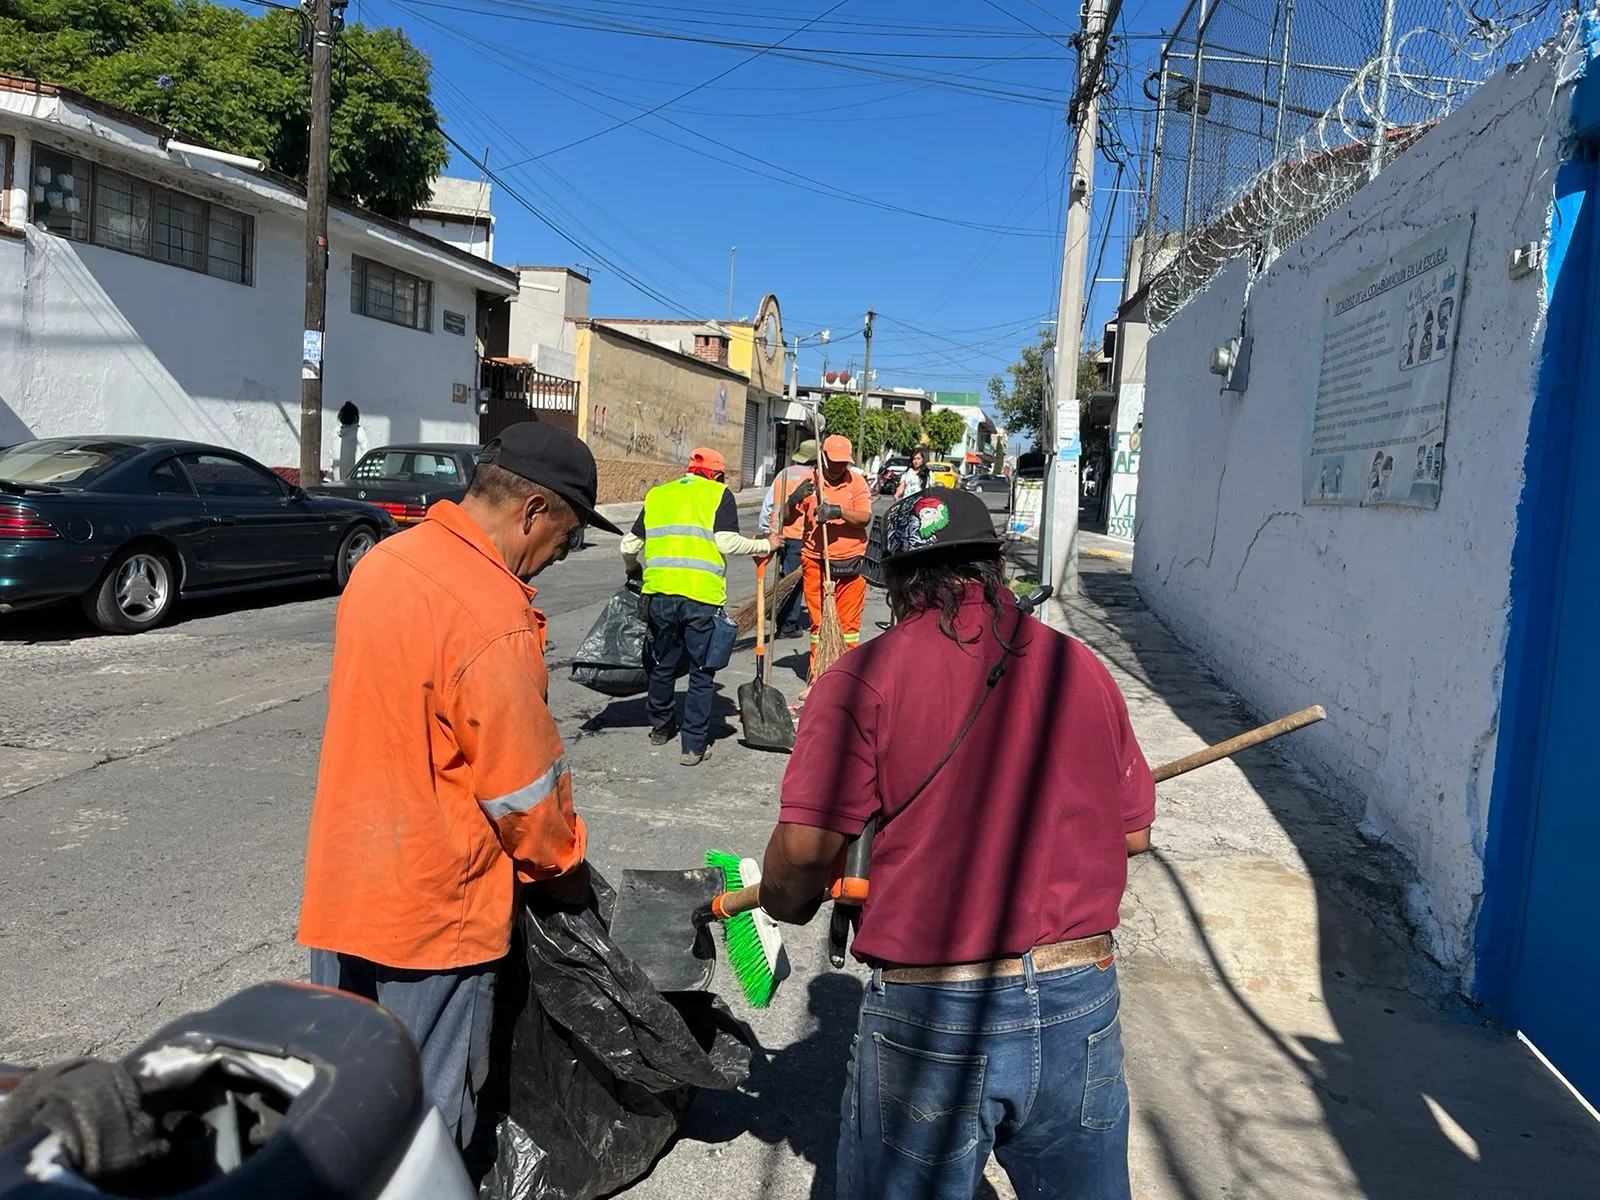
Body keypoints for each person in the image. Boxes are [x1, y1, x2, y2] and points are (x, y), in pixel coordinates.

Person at [755, 486, 1155, 1200]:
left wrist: (788, 899)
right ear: (996, 567)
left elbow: (807, 854)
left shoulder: (861, 679)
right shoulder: (1081, 670)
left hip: (932, 1007)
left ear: (897, 581)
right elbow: (1133, 831)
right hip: (1077, 995)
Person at [298, 421, 620, 1151]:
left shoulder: (388, 561)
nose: (556, 559)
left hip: (347, 881)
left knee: (342, 1099)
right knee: (422, 1123)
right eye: (564, 538)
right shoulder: (491, 611)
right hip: (434, 908)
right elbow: (522, 787)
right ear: (532, 512)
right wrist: (565, 875)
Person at [619, 447, 780, 765]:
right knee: (702, 672)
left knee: (663, 666)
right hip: (701, 598)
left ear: (688, 470)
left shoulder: (658, 495)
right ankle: (692, 747)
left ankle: (661, 728)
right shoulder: (719, 494)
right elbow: (727, 542)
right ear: (718, 474)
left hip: (659, 596)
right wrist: (765, 545)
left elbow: (629, 545)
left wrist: (632, 570)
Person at [785, 434, 873, 679]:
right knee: (819, 623)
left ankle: (844, 677)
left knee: (848, 626)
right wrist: (793, 501)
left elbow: (864, 517)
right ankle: (818, 675)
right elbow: (785, 520)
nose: (836, 468)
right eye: (832, 462)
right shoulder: (809, 483)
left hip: (851, 562)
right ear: (822, 457)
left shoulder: (856, 483)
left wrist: (838, 511)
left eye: (842, 463)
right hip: (816, 561)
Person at [762, 439, 818, 638]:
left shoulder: (783, 474)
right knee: (794, 583)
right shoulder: (813, 477)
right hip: (799, 535)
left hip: (780, 534)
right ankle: (787, 626)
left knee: (785, 578)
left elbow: (769, 505)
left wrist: (768, 531)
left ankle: (780, 617)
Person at [335, 401, 367, 481]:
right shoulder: (359, 431)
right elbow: (366, 452)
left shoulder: (337, 433)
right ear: (356, 417)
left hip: (338, 479)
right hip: (355, 480)